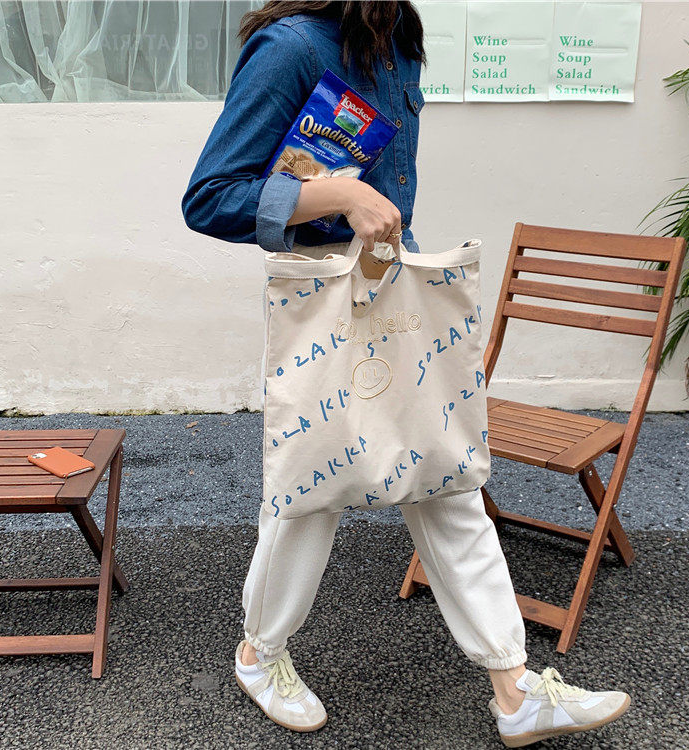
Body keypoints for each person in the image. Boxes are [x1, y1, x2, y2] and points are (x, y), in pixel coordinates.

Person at [182, 2, 630, 746]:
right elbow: (210, 197)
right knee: (310, 484)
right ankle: (259, 654)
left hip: (397, 282)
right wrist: (341, 194)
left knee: (447, 474)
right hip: (324, 295)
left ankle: (516, 689)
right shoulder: (291, 48)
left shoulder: (399, 39)